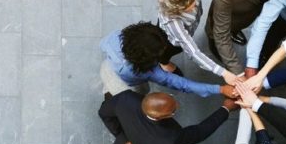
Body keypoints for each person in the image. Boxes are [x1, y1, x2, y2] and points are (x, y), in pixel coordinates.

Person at [97, 91, 237, 144]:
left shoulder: (126, 99)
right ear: (162, 117)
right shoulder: (169, 138)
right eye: (173, 110)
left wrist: (125, 140)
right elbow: (200, 132)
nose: (177, 107)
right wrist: (226, 108)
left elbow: (104, 112)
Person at [100, 22, 237, 98]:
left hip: (107, 68)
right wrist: (220, 89)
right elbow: (182, 84)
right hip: (129, 85)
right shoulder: (149, 73)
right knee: (141, 92)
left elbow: (102, 44)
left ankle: (107, 88)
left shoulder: (115, 37)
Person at [155, 0, 242, 86]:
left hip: (188, 28)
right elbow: (193, 52)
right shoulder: (173, 22)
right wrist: (224, 73)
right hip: (170, 41)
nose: (195, 4)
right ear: (177, 10)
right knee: (166, 51)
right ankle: (164, 63)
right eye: (189, 7)